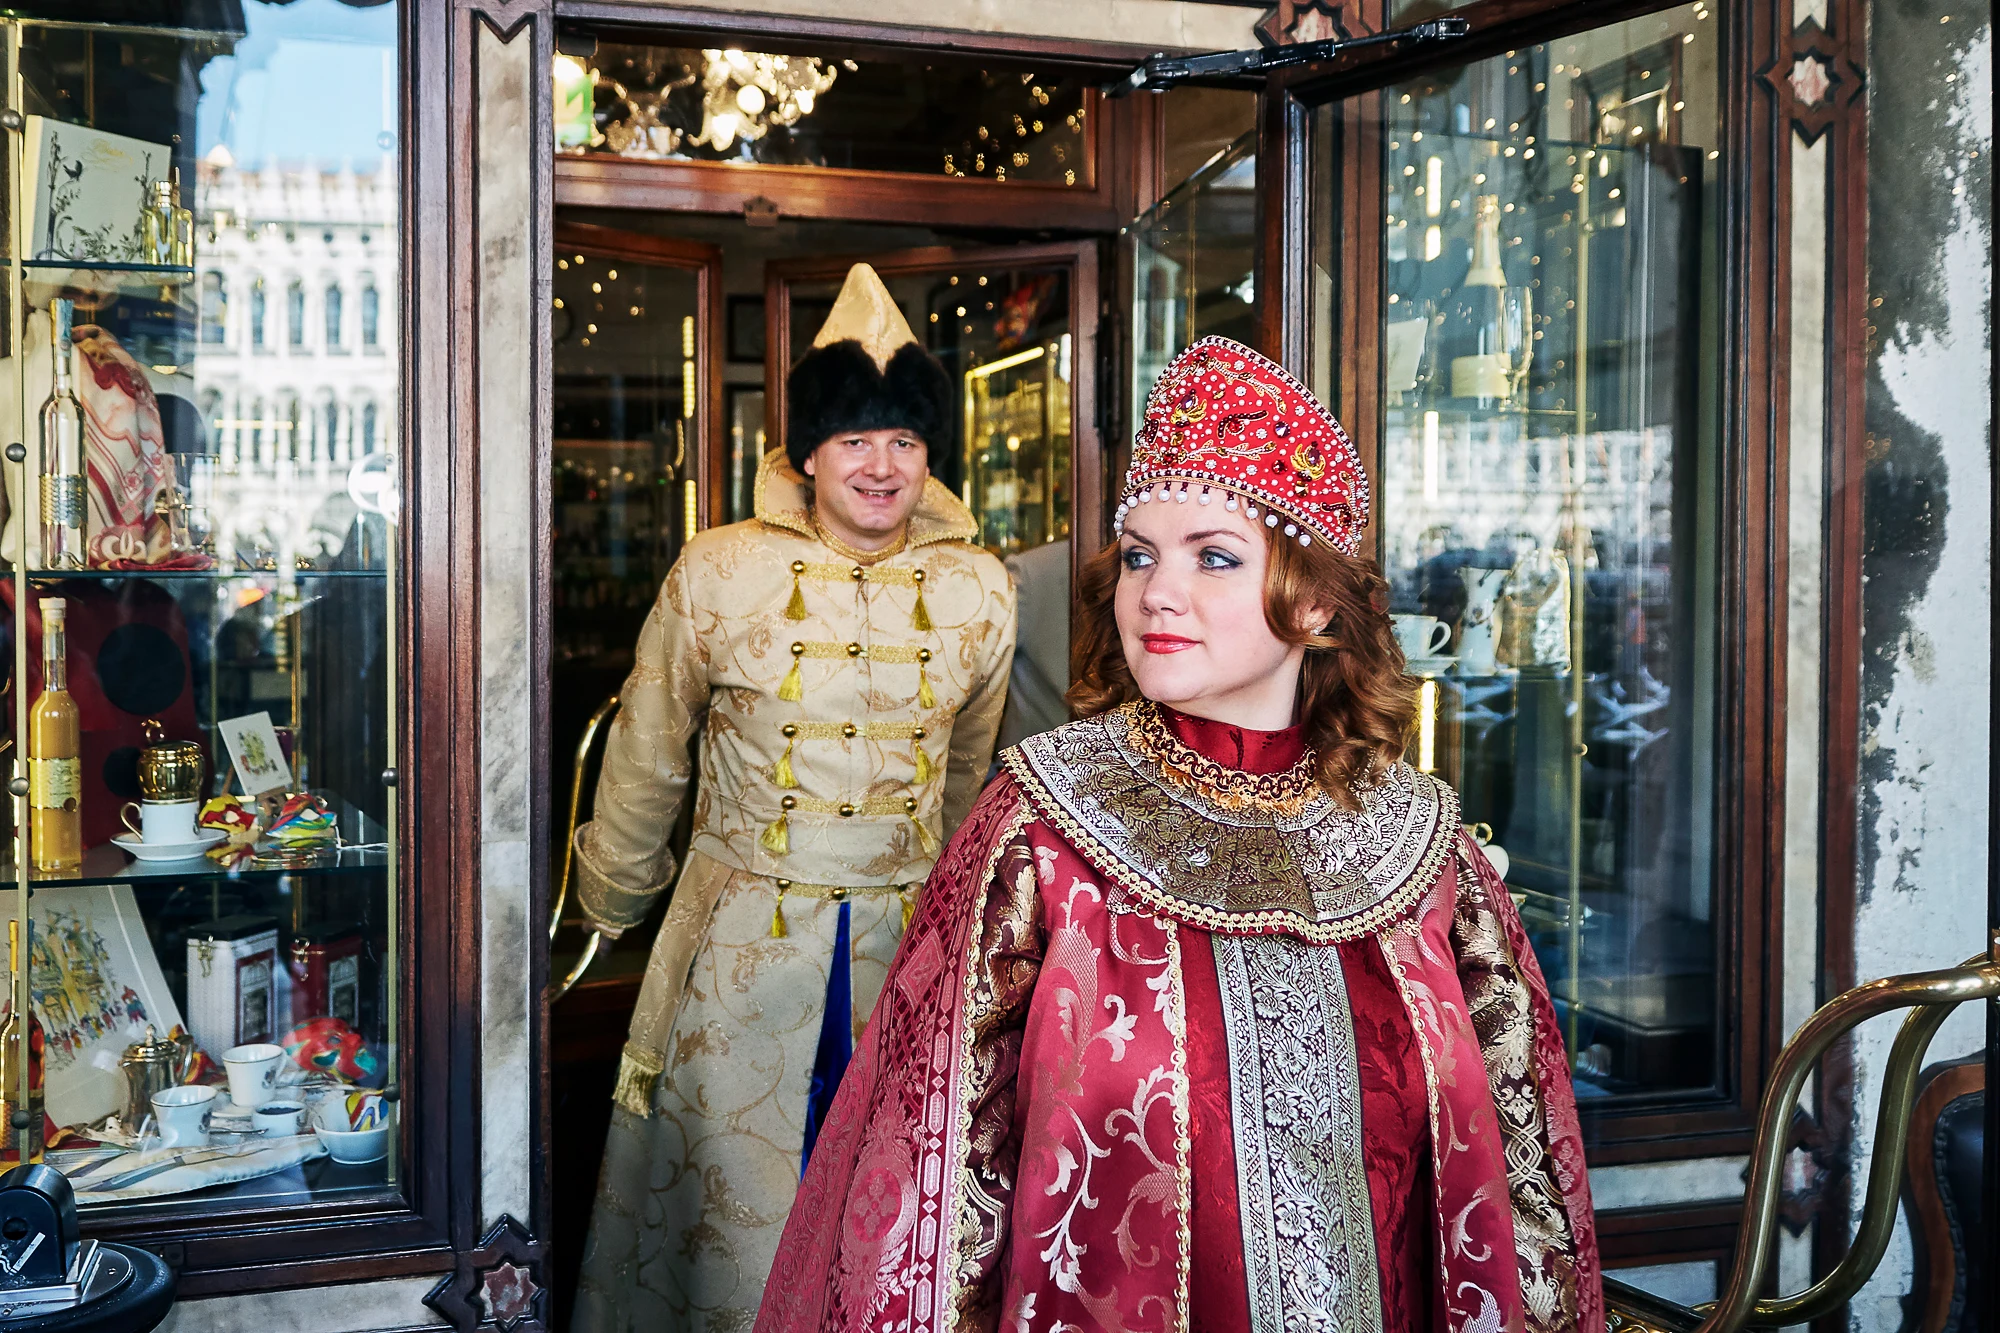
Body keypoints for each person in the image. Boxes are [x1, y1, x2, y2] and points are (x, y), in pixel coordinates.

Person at [755, 335, 1601, 1333]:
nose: (1156, 591)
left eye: (1213, 557)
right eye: (1140, 556)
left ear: (1314, 597)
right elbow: (923, 1202)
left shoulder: (1423, 854)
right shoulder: (1040, 834)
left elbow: (1524, 1198)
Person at [573, 263, 1018, 1332]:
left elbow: (967, 774)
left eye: (903, 441)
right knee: (733, 1225)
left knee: (885, 1208)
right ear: (807, 452)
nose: (880, 465)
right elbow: (648, 750)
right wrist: (610, 899)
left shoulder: (980, 589)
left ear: (929, 456)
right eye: (855, 439)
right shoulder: (717, 569)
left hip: (900, 956)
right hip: (738, 953)